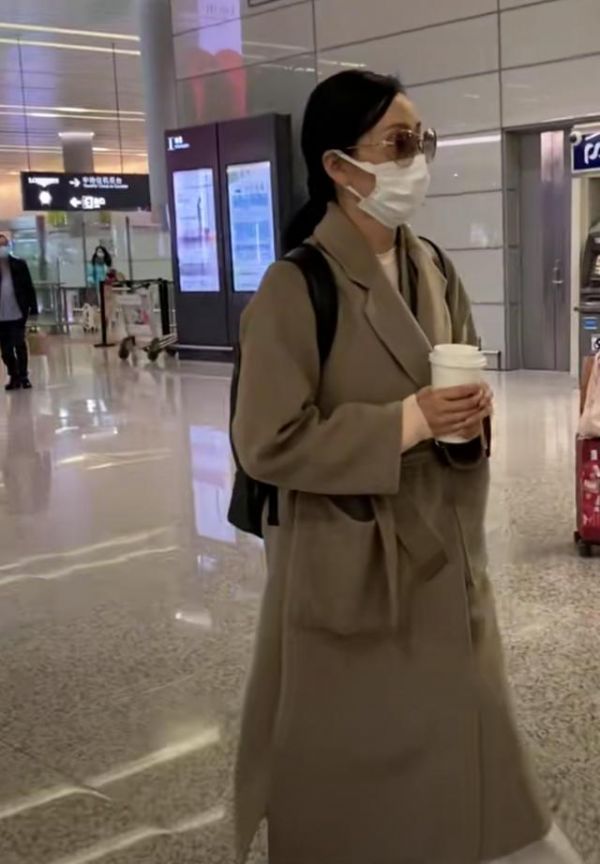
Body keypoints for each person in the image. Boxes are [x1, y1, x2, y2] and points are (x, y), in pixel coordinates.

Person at [232, 71, 582, 864]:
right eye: (397, 143)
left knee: (467, 732)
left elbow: (458, 376)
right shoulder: (296, 287)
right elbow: (267, 441)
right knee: (352, 757)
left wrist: (467, 422)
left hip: (443, 546)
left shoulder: (433, 266)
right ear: (337, 165)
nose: (415, 161)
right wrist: (409, 421)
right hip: (350, 558)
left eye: (421, 141)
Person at [0, 233, 38, 391]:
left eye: (4, 245)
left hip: (17, 312)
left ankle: (24, 376)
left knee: (19, 344)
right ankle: (13, 375)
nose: (2, 248)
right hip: (1, 316)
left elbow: (29, 287)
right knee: (5, 350)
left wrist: (33, 308)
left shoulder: (19, 265)